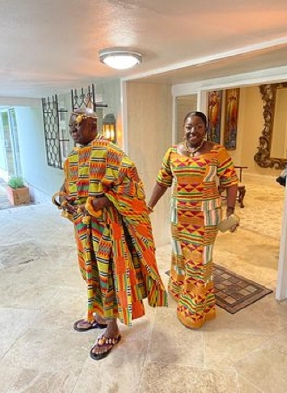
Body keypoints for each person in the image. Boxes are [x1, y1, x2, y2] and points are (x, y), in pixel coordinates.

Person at [52, 108, 167, 360]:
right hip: (83, 230)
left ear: (93, 124)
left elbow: (131, 185)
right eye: (70, 124)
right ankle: (101, 316)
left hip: (107, 231)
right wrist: (63, 197)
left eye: (78, 123)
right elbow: (69, 184)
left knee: (108, 277)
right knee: (91, 272)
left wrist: (98, 203)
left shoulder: (111, 153)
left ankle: (112, 329)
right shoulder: (72, 156)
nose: (73, 128)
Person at [147, 111, 238, 329]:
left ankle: (196, 309)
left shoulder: (218, 152)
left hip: (206, 219)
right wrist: (149, 205)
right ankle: (179, 291)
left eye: (198, 126)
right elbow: (162, 182)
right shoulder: (172, 152)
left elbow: (231, 181)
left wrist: (231, 211)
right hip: (179, 217)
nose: (193, 131)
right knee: (180, 256)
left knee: (199, 261)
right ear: (183, 128)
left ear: (206, 129)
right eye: (189, 126)